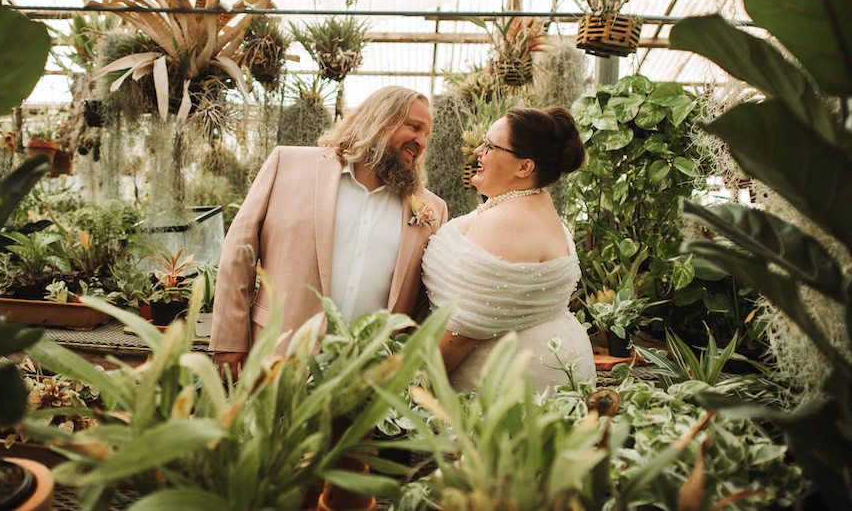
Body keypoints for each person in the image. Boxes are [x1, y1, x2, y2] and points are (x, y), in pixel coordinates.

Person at [210, 86, 449, 377]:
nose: (421, 142)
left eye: (427, 135)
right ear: (379, 118)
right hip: (277, 357)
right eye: (414, 127)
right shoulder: (287, 165)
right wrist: (229, 341)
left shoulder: (432, 209)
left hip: (367, 378)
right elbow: (239, 254)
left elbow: (424, 305)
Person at [422, 105, 595, 392]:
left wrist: (409, 386)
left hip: (508, 387)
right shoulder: (537, 206)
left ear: (524, 167)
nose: (478, 152)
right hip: (551, 365)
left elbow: (463, 333)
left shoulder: (509, 222)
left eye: (490, 146)